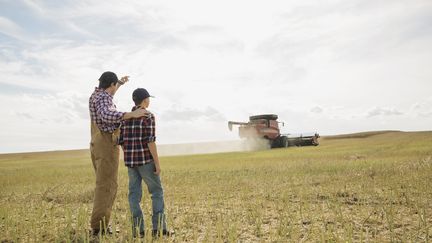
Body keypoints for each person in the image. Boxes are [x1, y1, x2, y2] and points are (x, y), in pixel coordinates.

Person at [89, 71, 148, 236]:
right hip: (106, 144)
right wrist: (130, 114)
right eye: (115, 86)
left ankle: (98, 225)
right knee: (107, 186)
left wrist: (119, 83)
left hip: (97, 143)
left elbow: (105, 100)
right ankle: (99, 228)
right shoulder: (104, 98)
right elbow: (106, 114)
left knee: (103, 184)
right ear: (111, 85)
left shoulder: (96, 95)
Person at [118, 88, 169, 238]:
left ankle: (138, 230)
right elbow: (150, 142)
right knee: (157, 193)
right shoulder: (148, 115)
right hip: (146, 161)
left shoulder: (125, 117)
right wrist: (157, 164)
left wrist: (130, 155)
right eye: (148, 98)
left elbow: (122, 142)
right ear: (145, 100)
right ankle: (159, 229)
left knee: (134, 195)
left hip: (131, 164)